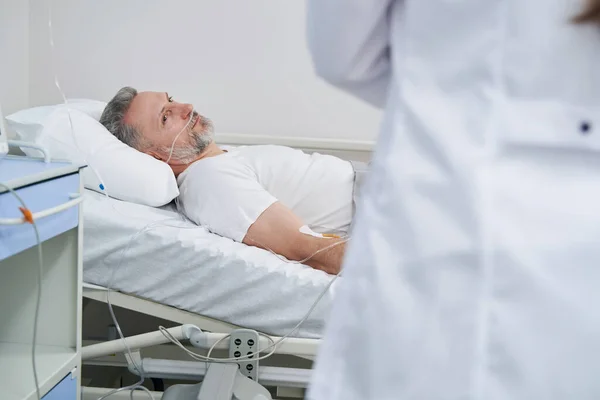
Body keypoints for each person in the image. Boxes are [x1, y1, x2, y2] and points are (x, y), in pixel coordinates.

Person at [306, 0, 600, 399]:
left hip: (455, 219)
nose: (189, 108)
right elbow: (290, 241)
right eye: (185, 115)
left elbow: (343, 58)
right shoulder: (217, 176)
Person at [99, 87, 359, 274]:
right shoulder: (209, 180)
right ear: (153, 156)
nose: (187, 108)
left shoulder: (216, 160)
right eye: (166, 117)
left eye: (172, 100)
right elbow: (309, 250)